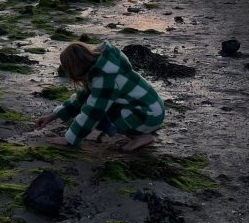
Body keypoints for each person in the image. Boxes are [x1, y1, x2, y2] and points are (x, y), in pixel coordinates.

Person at [35, 41, 165, 152]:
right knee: (101, 106)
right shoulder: (101, 67)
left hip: (147, 115)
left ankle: (142, 137)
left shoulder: (105, 78)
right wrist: (52, 116)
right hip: (152, 109)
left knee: (103, 110)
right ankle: (140, 133)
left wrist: (69, 139)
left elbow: (93, 112)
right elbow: (81, 99)